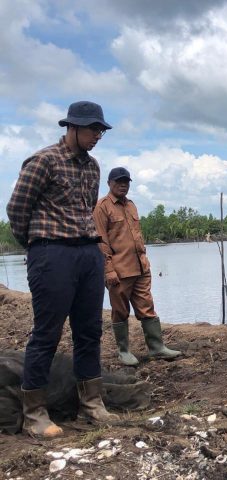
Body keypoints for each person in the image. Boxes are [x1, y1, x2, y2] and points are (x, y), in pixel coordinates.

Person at [6, 101, 119, 438]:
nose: (97, 135)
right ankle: (35, 413)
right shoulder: (43, 161)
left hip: (88, 252)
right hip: (52, 253)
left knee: (90, 330)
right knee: (47, 333)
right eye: (91, 129)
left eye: (100, 130)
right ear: (71, 127)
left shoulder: (93, 167)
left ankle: (92, 403)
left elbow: (86, 209)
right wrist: (39, 245)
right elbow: (17, 209)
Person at [93, 167, 182, 366]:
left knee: (147, 308)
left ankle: (157, 348)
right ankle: (123, 351)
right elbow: (101, 241)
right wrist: (108, 269)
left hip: (141, 268)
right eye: (118, 181)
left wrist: (145, 263)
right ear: (109, 183)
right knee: (120, 311)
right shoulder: (102, 207)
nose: (123, 185)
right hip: (119, 271)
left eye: (126, 181)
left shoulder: (131, 205)